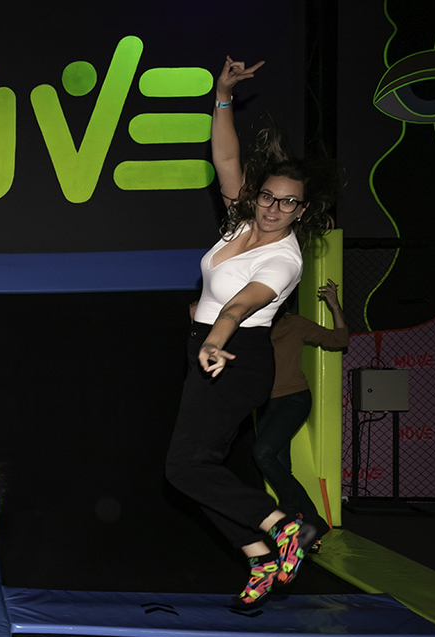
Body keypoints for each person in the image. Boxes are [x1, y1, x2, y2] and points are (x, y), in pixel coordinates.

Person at [164, 56, 340, 608]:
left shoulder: (284, 260)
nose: (273, 209)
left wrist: (215, 341)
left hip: (238, 357)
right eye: (268, 196)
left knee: (183, 467)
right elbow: (225, 157)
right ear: (258, 195)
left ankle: (284, 526)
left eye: (288, 203)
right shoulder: (241, 221)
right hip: (210, 352)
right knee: (194, 470)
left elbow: (240, 307)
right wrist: (222, 95)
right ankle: (260, 556)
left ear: (301, 210)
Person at [253, 280, 349, 548]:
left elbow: (339, 340)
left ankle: (290, 509)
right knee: (280, 467)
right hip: (264, 404)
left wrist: (334, 305)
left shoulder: (294, 324)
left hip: (294, 399)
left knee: (262, 453)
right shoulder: (252, 328)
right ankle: (313, 521)